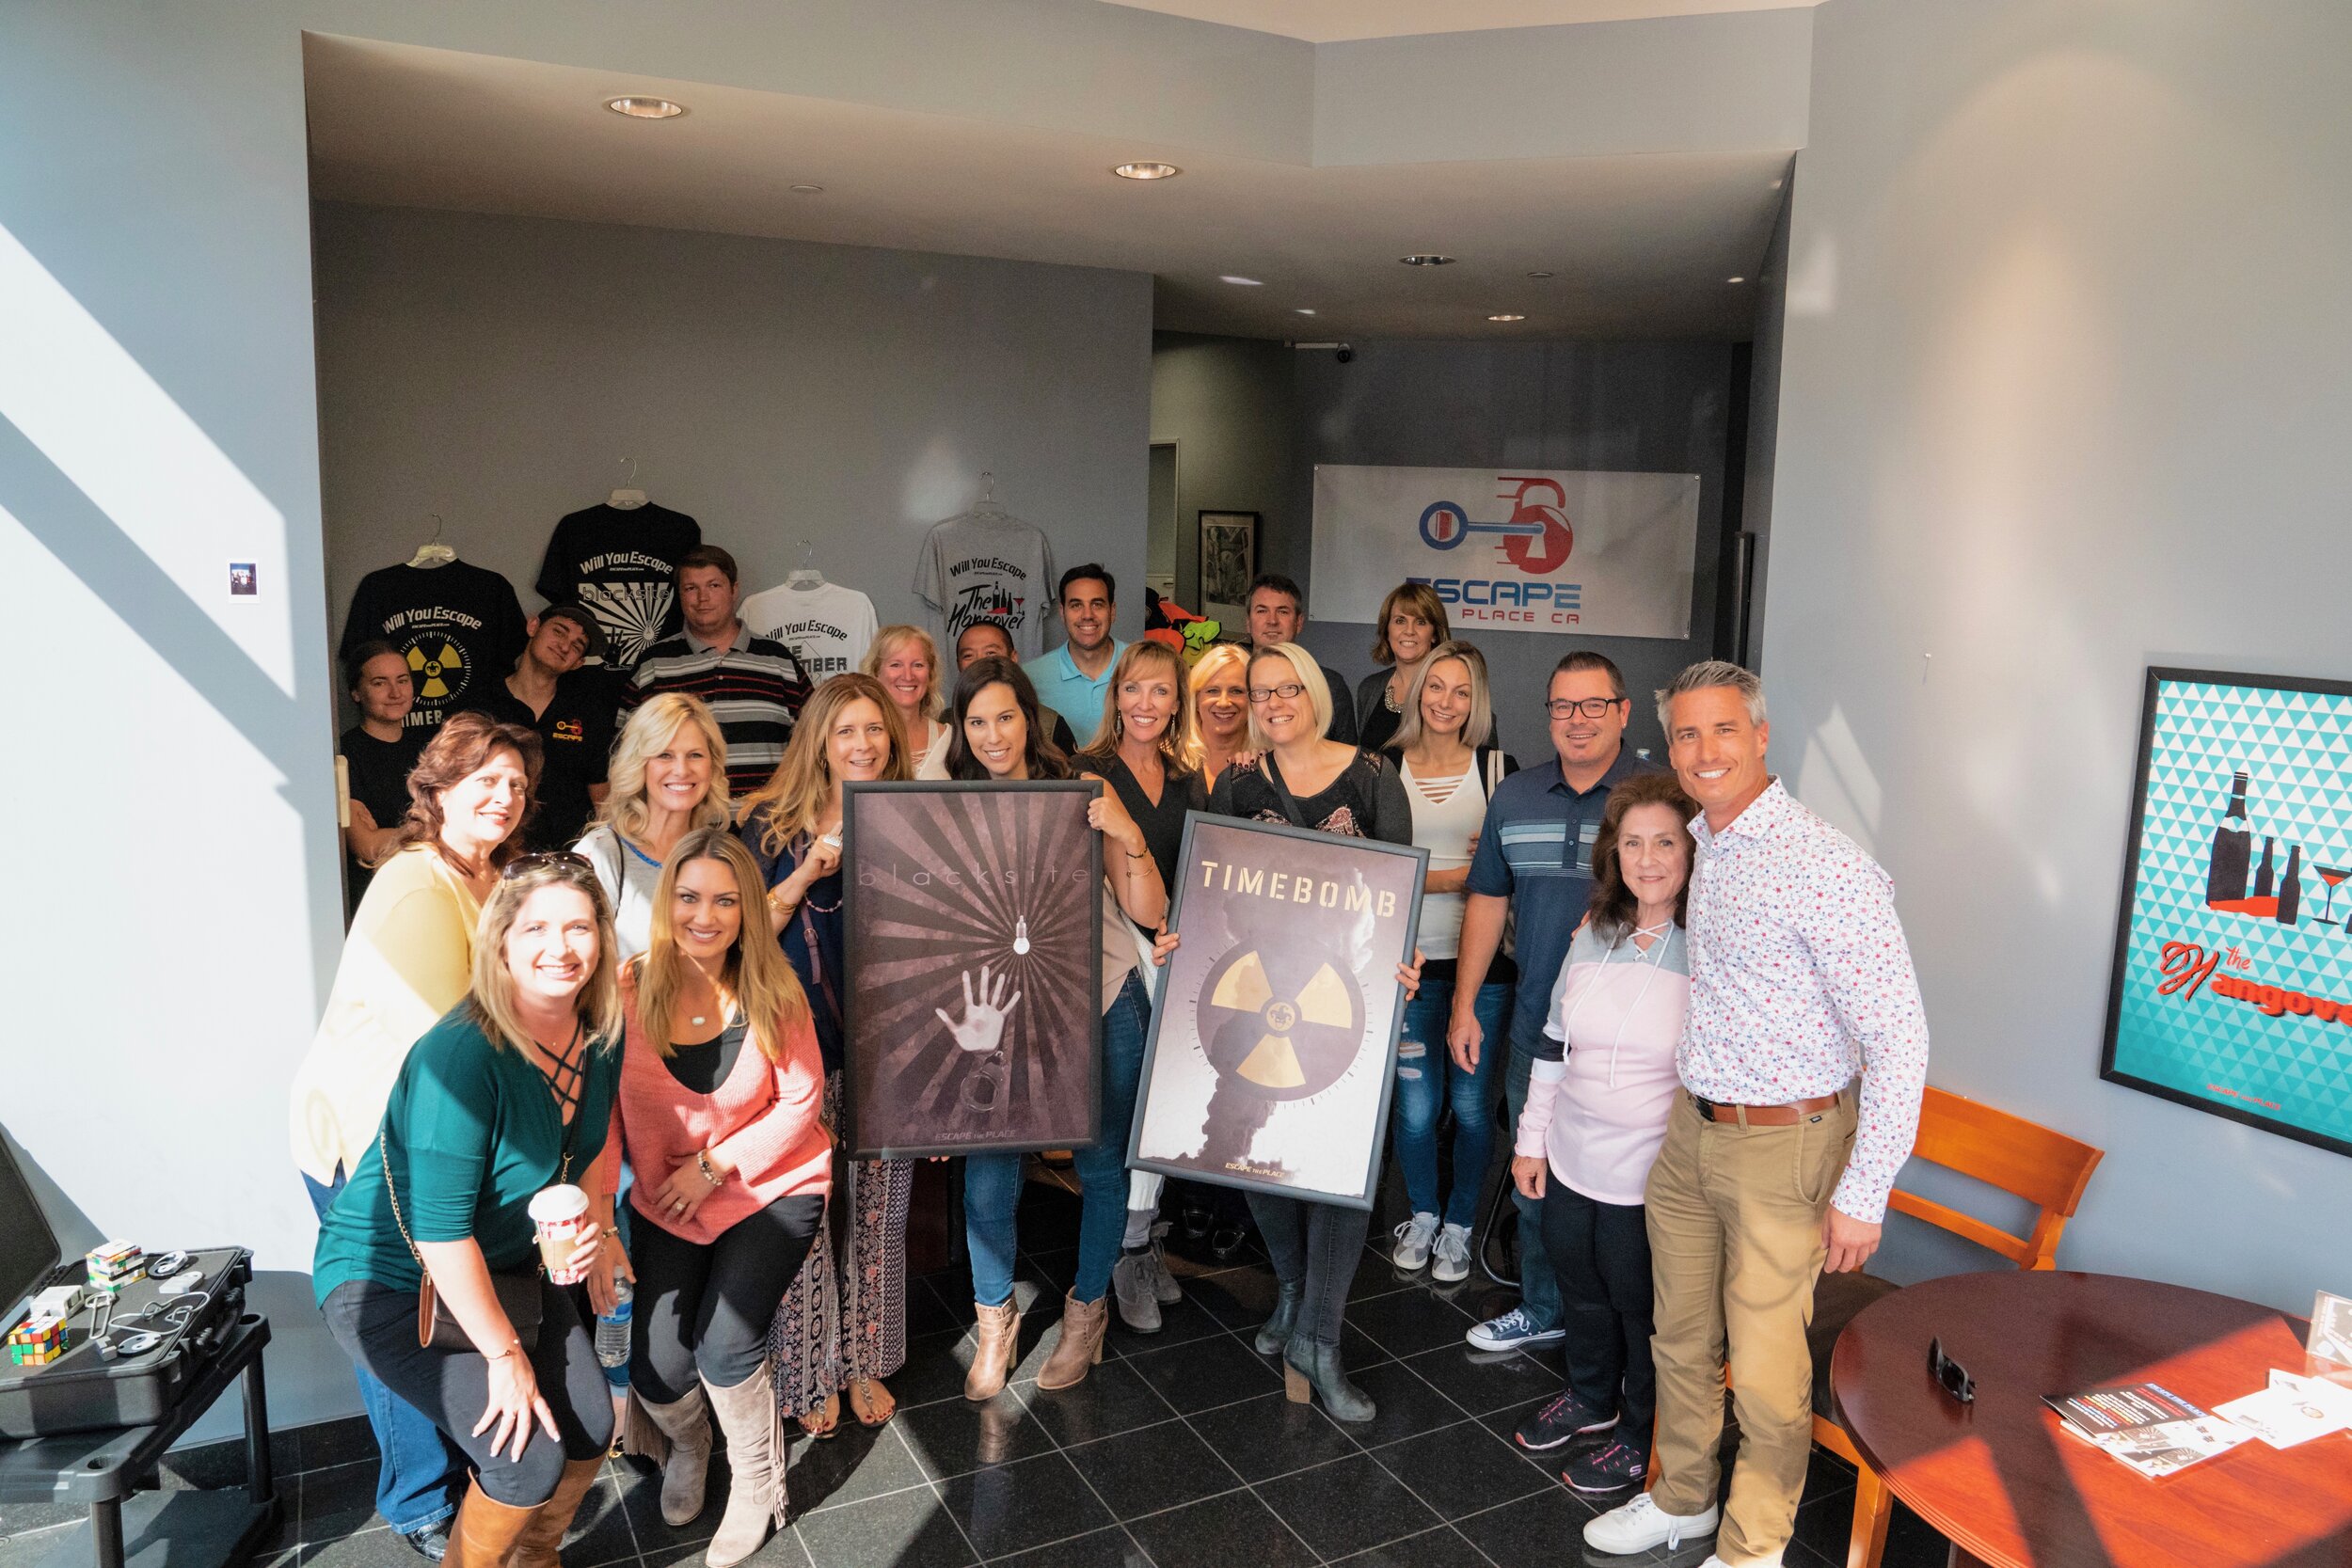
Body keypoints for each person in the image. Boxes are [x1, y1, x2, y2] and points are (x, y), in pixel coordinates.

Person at [1583, 661, 1930, 1568]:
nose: (1705, 751)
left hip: (1786, 1146)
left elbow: (1900, 1041)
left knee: (1772, 1372)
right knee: (1681, 1334)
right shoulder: (1708, 844)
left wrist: (1867, 1188)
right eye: (1688, 734)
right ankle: (1684, 1499)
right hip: (1691, 1132)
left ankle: (1753, 1547)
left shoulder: (1827, 867)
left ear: (1762, 735)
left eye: (1724, 730)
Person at [311, 854, 628, 1568]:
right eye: (537, 927)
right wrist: (506, 1355)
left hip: (502, 1261)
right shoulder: (459, 1056)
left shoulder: (600, 1028)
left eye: (579, 926)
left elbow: (598, 1137)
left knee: (589, 1425)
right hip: (390, 1280)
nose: (561, 946)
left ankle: (534, 1558)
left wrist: (603, 1230)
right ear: (500, 942)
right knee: (525, 1459)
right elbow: (439, 1230)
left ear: (603, 938)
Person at [291, 712, 541, 1560]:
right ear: (437, 791)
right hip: (358, 1143)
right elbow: (466, 1031)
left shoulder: (496, 877)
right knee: (397, 1331)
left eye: (515, 783)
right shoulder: (413, 880)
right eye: (485, 780)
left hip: (436, 1142)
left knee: (444, 1312)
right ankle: (417, 1503)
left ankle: (471, 1474)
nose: (503, 796)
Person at [1201, 643, 1421, 1422]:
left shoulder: (1371, 778)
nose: (1272, 701)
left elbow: (1401, 892)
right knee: (1257, 1154)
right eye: (1261, 692)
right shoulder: (1236, 783)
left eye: (1288, 686)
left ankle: (1320, 1340)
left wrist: (1406, 958)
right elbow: (1212, 889)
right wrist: (1183, 943)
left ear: (1314, 692)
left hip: (1347, 1003)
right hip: (1260, 992)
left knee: (1344, 1169)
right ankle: (1291, 1288)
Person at [946, 657, 1168, 1399]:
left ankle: (1085, 1313)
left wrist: (1127, 831)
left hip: (1101, 994)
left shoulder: (1082, 789)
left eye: (1005, 716)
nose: (992, 734)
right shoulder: (945, 805)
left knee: (1102, 1165)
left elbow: (1149, 908)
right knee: (989, 1178)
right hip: (1004, 1015)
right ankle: (995, 1320)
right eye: (976, 721)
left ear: (1029, 717)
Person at [611, 830, 830, 1567]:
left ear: (746, 908)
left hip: (773, 1183)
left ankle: (761, 1480)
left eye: (726, 900)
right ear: (668, 899)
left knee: (726, 1344)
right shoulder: (627, 988)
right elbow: (602, 1114)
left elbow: (803, 1099)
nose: (706, 915)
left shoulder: (774, 986)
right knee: (657, 1367)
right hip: (668, 1199)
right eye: (690, 896)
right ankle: (691, 1442)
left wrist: (714, 1164)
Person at [1450, 651, 1660, 1354]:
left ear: (1624, 712)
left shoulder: (1658, 801)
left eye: (1594, 705)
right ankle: (1544, 1307)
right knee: (1533, 1172)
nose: (1577, 720)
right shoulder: (1515, 796)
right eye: (1563, 706)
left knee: (1635, 1195)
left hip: (1639, 1044)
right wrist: (1465, 1002)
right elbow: (1487, 897)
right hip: (1541, 1029)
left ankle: (1627, 1328)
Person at [736, 673, 917, 1435]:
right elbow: (745, 934)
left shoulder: (914, 819)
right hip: (794, 1052)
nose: (863, 744)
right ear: (818, 737)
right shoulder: (768, 826)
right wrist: (813, 867)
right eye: (846, 730)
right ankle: (808, 1368)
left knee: (877, 1212)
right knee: (803, 1216)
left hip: (890, 1046)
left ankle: (866, 1359)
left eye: (875, 729)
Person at [1508, 771, 1697, 1497]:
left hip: (1648, 1173)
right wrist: (1530, 1141)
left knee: (1636, 1304)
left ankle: (1637, 1432)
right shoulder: (1592, 935)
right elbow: (1553, 1042)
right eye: (1632, 843)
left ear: (1691, 851)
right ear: (1613, 854)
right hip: (1570, 1154)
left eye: (1665, 842)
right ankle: (1590, 1398)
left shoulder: (1705, 949)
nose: (1648, 859)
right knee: (1579, 1286)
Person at [1073, 641, 1205, 1332]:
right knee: (1129, 1109)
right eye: (1133, 690)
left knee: (1167, 1110)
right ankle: (1125, 1249)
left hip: (1181, 953)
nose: (1145, 704)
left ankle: (1145, 1236)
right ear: (1115, 696)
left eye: (1159, 691)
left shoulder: (1189, 777)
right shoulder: (1088, 772)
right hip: (1120, 957)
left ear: (1176, 700)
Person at [1384, 641, 1516, 1283]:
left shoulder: (1498, 771)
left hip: (1481, 972)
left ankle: (1459, 1224)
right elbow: (1374, 871)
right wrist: (1463, 874)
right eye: (1434, 686)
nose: (1444, 701)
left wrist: (1440, 873)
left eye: (1461, 691)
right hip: (1405, 967)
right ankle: (1425, 1214)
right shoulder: (1380, 767)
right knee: (1413, 1109)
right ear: (1415, 691)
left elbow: (1510, 875)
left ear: (1477, 701)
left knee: (1468, 1107)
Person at [629, 545, 812, 799]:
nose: (702, 598)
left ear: (734, 590)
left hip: (767, 827)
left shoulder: (778, 661)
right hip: (684, 830)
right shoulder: (654, 664)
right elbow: (626, 753)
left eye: (714, 586)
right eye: (691, 588)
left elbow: (814, 744)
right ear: (680, 595)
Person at [578, 693, 732, 961]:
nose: (682, 770)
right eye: (664, 755)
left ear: (713, 765)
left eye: (695, 755)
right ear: (639, 764)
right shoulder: (603, 853)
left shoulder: (721, 853)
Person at [467, 604, 617, 850]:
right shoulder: (481, 705)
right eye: (559, 631)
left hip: (570, 860)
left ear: (578, 663)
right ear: (533, 626)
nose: (565, 646)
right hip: (494, 855)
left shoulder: (589, 713)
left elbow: (603, 799)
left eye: (577, 646)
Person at [338, 641, 425, 910]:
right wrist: (436, 830)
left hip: (427, 889)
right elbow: (368, 846)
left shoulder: (431, 748)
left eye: (402, 680)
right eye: (379, 683)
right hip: (376, 899)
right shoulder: (345, 753)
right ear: (356, 692)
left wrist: (395, 834)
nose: (395, 692)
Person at [1243, 575, 1356, 745]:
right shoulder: (1232, 682)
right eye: (1261, 611)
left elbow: (1348, 758)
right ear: (1248, 623)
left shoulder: (1329, 684)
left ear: (1299, 622)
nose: (1272, 621)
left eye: (1282, 611)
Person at [1024, 563, 1125, 746]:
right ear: (1062, 613)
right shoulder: (1029, 677)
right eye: (1076, 605)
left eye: (1097, 604)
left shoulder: (1140, 666)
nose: (1087, 615)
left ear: (1113, 611)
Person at [1352, 583, 1450, 756]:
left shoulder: (1454, 689)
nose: (1409, 631)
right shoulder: (1369, 689)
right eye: (1400, 621)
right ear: (1386, 630)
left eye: (1420, 622)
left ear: (1434, 634)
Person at [958, 620, 1077, 753]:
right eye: (968, 655)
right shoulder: (946, 724)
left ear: (1013, 657)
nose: (980, 662)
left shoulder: (1050, 723)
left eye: (991, 652)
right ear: (958, 664)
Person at [864, 624, 953, 778]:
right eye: (896, 665)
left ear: (930, 674)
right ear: (875, 672)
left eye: (917, 665)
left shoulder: (949, 740)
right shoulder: (862, 740)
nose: (908, 676)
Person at [1189, 642, 1251, 790]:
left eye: (1236, 691)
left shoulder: (1266, 766)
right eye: (1212, 691)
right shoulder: (1168, 761)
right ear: (1196, 700)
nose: (1224, 703)